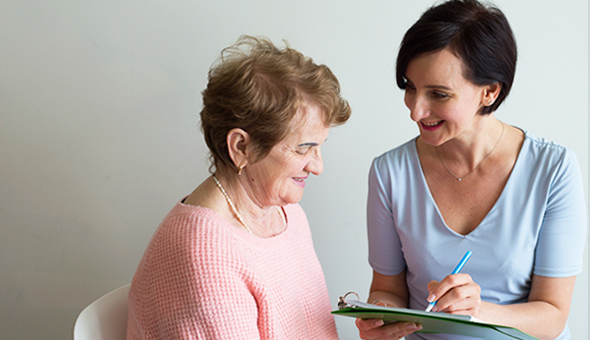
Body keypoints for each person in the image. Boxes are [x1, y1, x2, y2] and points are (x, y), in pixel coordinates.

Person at [356, 1, 587, 339]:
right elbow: (388, 290)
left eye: (438, 94)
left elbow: (552, 314)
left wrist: (477, 312)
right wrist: (379, 316)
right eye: (410, 87)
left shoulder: (553, 170)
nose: (416, 111)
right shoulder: (390, 172)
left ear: (489, 92)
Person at [126, 35, 351, 339]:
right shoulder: (206, 254)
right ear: (242, 146)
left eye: (320, 147)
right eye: (303, 149)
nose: (317, 166)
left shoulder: (288, 214)